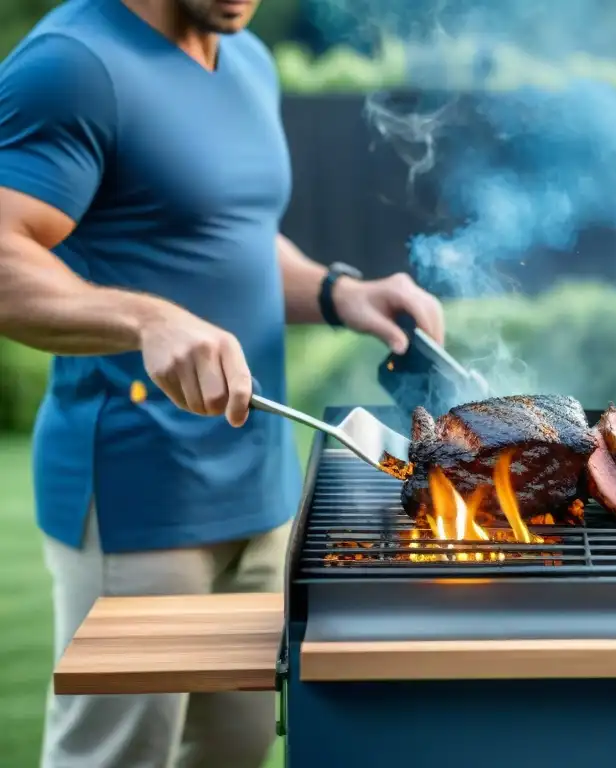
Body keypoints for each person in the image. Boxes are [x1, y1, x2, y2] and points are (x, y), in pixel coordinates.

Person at [0, 0, 445, 765]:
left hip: (262, 492)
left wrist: (341, 292)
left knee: (235, 754)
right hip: (137, 497)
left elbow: (225, 230)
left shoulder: (246, 58)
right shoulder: (73, 64)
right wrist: (148, 320)